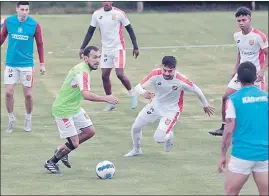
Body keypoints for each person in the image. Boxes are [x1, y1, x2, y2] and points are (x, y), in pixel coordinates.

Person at [44, 46, 118, 174]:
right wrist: (105, 98)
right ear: (85, 58)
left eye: (99, 57)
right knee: (75, 143)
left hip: (74, 108)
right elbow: (86, 94)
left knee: (89, 132)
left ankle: (63, 150)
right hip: (64, 110)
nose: (97, 60)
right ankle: (51, 162)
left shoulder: (84, 69)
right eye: (94, 57)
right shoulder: (82, 72)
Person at [124, 56, 214, 156]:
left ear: (175, 69)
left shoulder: (181, 80)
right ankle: (137, 150)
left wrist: (205, 104)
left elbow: (197, 90)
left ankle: (169, 135)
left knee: (158, 139)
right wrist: (143, 92)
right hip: (155, 106)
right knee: (135, 128)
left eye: (170, 71)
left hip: (171, 111)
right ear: (161, 66)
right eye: (165, 70)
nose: (166, 73)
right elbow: (138, 87)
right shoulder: (155, 74)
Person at [209, 6, 268, 136]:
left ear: (250, 19)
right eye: (239, 20)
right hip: (240, 74)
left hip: (256, 75)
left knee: (260, 102)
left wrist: (262, 71)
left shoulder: (259, 36)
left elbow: (267, 53)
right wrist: (235, 69)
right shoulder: (237, 36)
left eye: (244, 20)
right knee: (226, 97)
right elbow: (240, 53)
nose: (241, 23)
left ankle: (261, 130)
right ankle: (224, 127)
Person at [218, 61, 268, 196]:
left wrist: (223, 155)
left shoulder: (233, 100)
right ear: (256, 76)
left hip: (242, 155)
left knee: (230, 193)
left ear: (238, 78)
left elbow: (228, 131)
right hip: (264, 155)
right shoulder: (266, 97)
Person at [79, 1, 139, 112]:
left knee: (120, 74)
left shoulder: (120, 13)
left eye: (108, 0)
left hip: (118, 48)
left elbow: (130, 29)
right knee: (104, 76)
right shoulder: (97, 14)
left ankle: (133, 94)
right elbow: (90, 32)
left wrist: (135, 46)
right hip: (106, 49)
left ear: (112, 1)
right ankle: (110, 102)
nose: (106, 2)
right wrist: (82, 47)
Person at [0, 1, 45, 133]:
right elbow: (2, 37)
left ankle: (28, 118)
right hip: (11, 64)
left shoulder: (34, 25)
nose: (24, 12)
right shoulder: (9, 22)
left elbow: (40, 44)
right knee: (8, 93)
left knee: (29, 96)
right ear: (17, 9)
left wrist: (42, 64)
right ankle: (11, 118)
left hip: (26, 65)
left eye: (27, 10)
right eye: (22, 9)